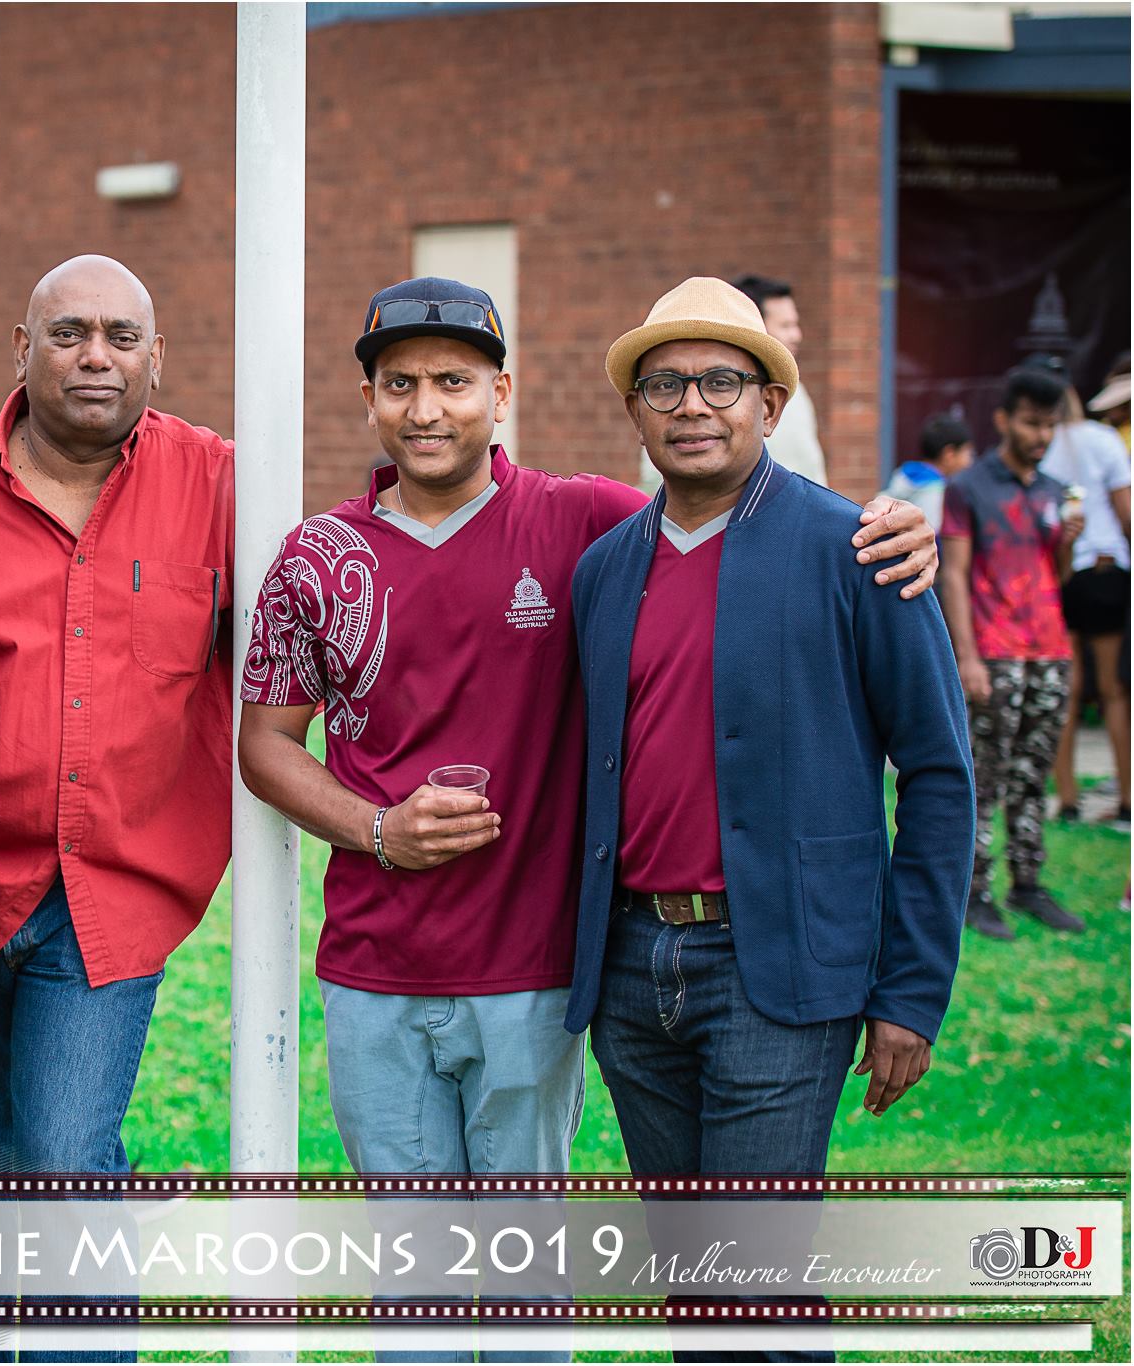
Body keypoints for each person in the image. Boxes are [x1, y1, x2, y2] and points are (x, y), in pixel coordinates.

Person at [238, 277, 937, 1189]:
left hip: (540, 969)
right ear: (367, 398)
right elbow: (263, 744)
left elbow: (737, 511)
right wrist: (378, 829)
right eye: (399, 384)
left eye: (453, 381)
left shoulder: (584, 523)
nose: (426, 408)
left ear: (501, 395)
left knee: (550, 1275)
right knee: (419, 1278)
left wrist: (885, 524)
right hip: (398, 965)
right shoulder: (322, 559)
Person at [569, 276, 972, 1303]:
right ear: (634, 410)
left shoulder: (858, 551)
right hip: (627, 970)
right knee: (695, 1280)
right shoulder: (604, 570)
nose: (691, 405)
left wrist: (911, 990)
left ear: (769, 405)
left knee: (752, 1278)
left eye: (718, 381)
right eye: (664, 384)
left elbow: (934, 771)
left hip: (777, 971)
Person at [0, 256, 234, 1182]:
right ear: (21, 348)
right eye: (68, 334)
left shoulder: (223, 486)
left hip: (112, 892)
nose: (94, 357)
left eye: (120, 338)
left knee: (64, 1161)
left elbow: (305, 643)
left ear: (156, 359)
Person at [937, 366, 1088, 939]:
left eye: (1049, 425)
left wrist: (1068, 545)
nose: (1041, 435)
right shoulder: (968, 486)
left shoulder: (1054, 492)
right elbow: (953, 575)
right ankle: (974, 891)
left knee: (1033, 776)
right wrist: (967, 657)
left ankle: (1028, 884)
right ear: (1003, 420)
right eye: (1031, 422)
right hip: (993, 653)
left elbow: (1059, 576)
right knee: (983, 777)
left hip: (1049, 650)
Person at [1038, 365, 1131, 828]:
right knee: (1115, 692)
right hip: (1106, 573)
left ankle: (1069, 799)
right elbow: (1126, 513)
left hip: (1060, 575)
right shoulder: (1104, 438)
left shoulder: (1041, 446)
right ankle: (1129, 801)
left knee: (1068, 694)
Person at [733, 274, 828, 487]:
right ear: (754, 327)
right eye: (785, 326)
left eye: (795, 324)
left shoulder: (796, 390)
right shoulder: (719, 395)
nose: (797, 335)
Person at [885, 412, 974, 529]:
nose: (970, 462)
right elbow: (930, 535)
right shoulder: (936, 491)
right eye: (967, 453)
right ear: (949, 454)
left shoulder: (903, 474)